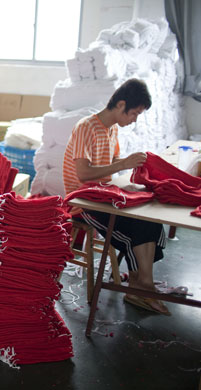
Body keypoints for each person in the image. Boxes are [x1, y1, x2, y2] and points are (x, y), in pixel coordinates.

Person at [62, 78, 170, 316]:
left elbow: (110, 168)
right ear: (121, 105)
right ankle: (142, 287)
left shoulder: (110, 130)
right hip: (84, 202)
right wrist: (123, 164)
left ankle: (140, 285)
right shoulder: (86, 127)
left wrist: (130, 177)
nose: (134, 120)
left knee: (148, 217)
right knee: (137, 227)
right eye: (134, 113)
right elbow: (83, 173)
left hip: (101, 195)